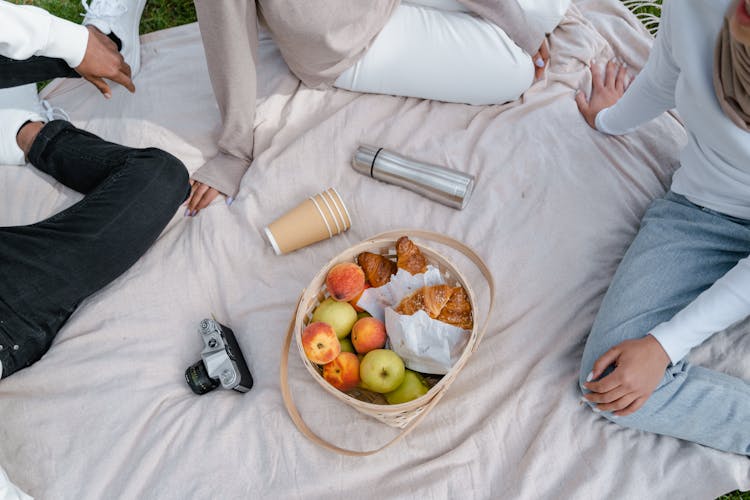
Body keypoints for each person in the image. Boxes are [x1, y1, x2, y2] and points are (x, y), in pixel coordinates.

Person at [187, 0, 569, 215]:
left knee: (547, 9)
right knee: (517, 69)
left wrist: (514, 22)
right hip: (348, 43)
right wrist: (234, 151)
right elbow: (227, 36)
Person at [576, 0, 750, 455]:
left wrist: (664, 345)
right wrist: (608, 119)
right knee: (607, 383)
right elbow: (666, 76)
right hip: (703, 214)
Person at [0, 0, 190, 380]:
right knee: (159, 177)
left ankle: (94, 49)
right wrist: (71, 44)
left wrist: (72, 44)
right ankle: (26, 132)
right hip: (12, 306)